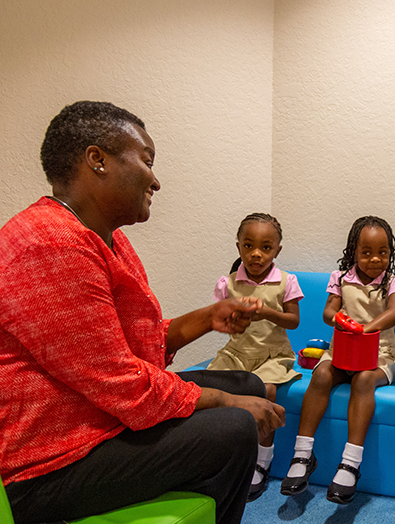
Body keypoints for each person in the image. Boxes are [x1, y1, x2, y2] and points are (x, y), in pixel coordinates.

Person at [0, 101, 286, 524]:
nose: (155, 180)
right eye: (147, 161)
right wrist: (228, 402)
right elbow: (120, 383)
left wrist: (207, 318)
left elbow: (130, 346)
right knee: (233, 427)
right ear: (97, 160)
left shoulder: (105, 238)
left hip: (102, 418)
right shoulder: (49, 244)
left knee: (248, 383)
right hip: (52, 463)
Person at [280, 216, 395, 505]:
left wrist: (368, 328)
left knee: (363, 379)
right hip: (342, 352)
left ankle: (350, 462)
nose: (375, 259)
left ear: (391, 253)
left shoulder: (393, 281)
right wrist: (338, 319)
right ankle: (302, 454)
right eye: (366, 252)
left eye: (383, 252)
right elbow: (328, 312)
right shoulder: (339, 278)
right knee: (321, 374)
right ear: (353, 252)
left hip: (381, 355)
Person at [208, 212, 303, 501]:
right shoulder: (228, 283)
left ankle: (262, 461)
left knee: (267, 390)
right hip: (236, 354)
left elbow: (293, 321)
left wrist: (267, 312)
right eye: (248, 246)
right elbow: (219, 319)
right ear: (238, 247)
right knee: (207, 388)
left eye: (265, 247)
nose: (256, 254)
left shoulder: (287, 281)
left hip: (272, 356)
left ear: (277, 250)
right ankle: (218, 457)